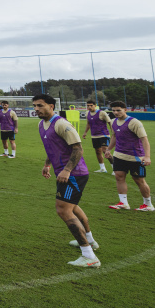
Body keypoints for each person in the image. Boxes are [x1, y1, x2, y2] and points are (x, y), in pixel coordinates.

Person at [32, 94, 100, 268]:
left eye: (40, 105)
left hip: (73, 174)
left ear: (51, 106)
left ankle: (88, 255)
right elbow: (53, 147)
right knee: (73, 207)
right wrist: (47, 164)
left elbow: (78, 149)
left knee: (63, 210)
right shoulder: (42, 124)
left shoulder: (61, 124)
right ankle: (90, 241)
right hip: (64, 173)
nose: (37, 109)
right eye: (35, 106)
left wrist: (67, 170)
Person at [106, 100, 155, 211]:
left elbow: (144, 139)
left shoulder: (134, 122)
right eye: (113, 110)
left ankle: (148, 204)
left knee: (139, 180)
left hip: (135, 157)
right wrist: (108, 149)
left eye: (118, 110)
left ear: (125, 110)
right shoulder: (113, 122)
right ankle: (123, 203)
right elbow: (114, 136)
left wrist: (147, 156)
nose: (116, 112)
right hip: (119, 155)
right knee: (119, 177)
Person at [80, 100, 112, 173]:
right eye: (88, 105)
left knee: (105, 151)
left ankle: (115, 169)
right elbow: (88, 124)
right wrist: (85, 132)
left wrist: (113, 132)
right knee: (98, 151)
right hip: (94, 136)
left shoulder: (102, 113)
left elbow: (109, 122)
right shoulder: (87, 113)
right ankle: (102, 168)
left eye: (91, 105)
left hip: (104, 135)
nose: (89, 107)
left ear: (95, 105)